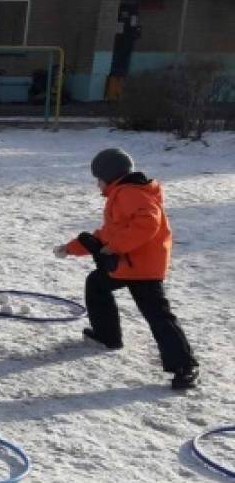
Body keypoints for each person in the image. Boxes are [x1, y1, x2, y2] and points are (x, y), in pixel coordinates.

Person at [54, 148, 199, 391]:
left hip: (142, 269)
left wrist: (115, 248)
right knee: (97, 284)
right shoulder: (122, 194)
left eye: (98, 179)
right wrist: (71, 248)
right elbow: (106, 235)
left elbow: (148, 222)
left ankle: (185, 365)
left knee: (158, 316)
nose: (97, 185)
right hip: (127, 266)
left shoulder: (129, 194)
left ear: (110, 177)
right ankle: (107, 335)